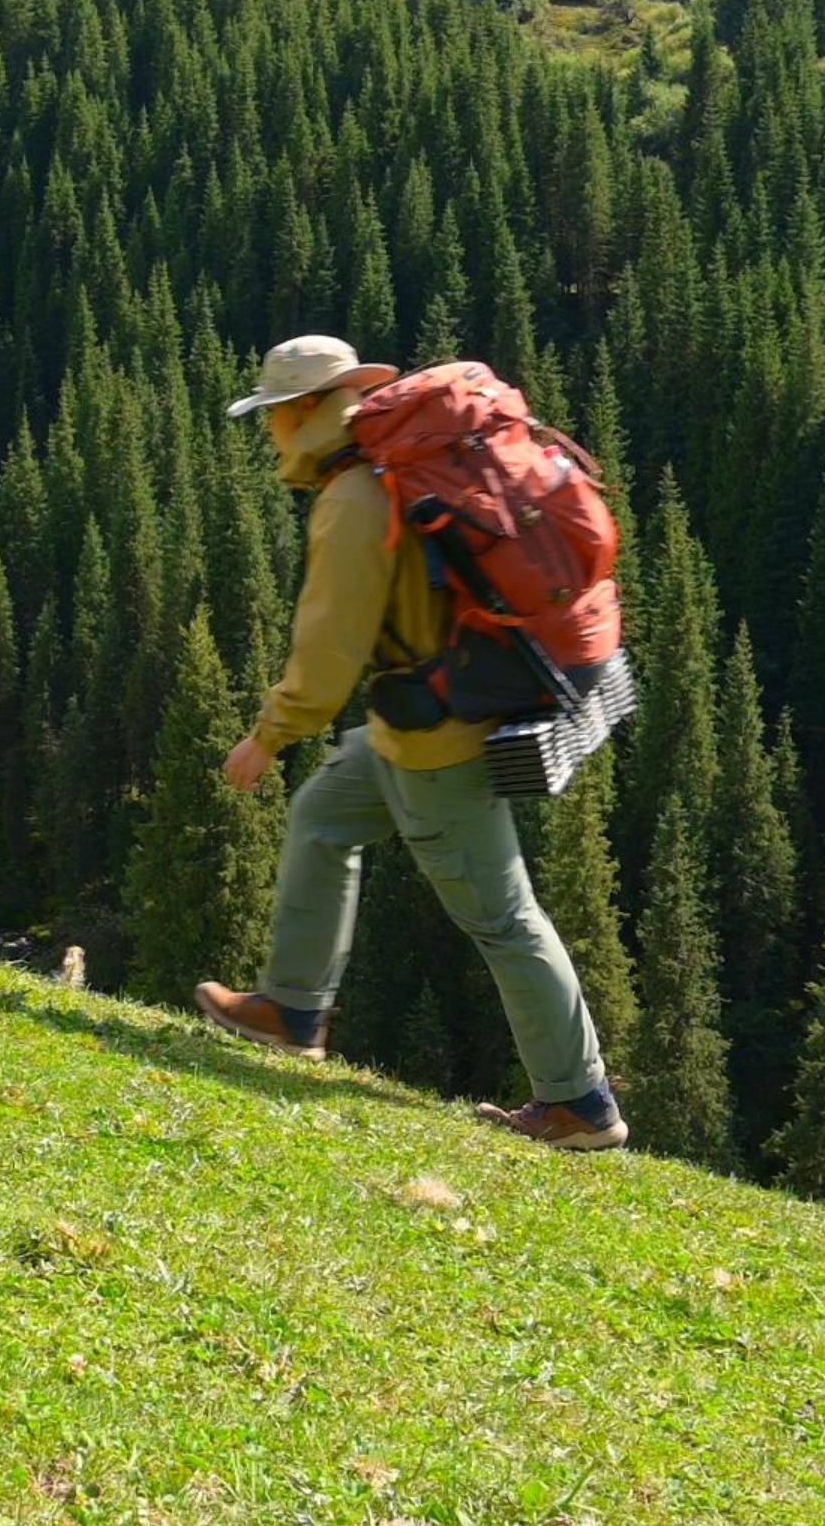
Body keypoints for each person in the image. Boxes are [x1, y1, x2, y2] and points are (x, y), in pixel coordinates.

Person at [193, 335, 629, 1151]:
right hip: (415, 721)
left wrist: (268, 736)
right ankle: (292, 1009)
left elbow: (328, 651)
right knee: (325, 813)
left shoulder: (357, 496)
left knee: (502, 917)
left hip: (439, 741)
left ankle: (579, 1102)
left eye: (271, 419)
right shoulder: (392, 468)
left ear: (302, 412)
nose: (269, 436)